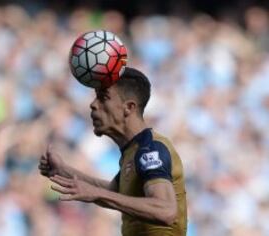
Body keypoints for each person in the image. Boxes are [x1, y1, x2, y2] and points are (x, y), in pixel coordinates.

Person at [38, 67, 187, 236]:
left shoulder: (150, 149)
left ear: (128, 107)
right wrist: (64, 171)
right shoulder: (132, 151)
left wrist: (98, 194)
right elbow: (116, 193)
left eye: (103, 98)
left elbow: (165, 210)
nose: (93, 104)